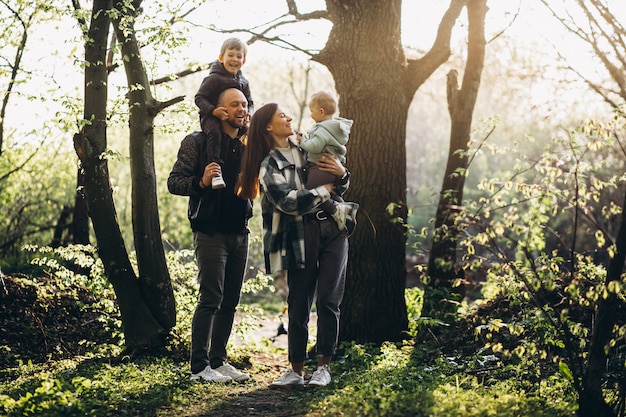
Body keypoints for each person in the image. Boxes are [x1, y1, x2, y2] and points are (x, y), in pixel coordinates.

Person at [237, 103, 351, 388]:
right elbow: (288, 202)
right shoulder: (269, 165)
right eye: (282, 116)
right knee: (299, 301)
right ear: (268, 126)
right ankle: (296, 371)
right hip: (299, 235)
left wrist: (342, 173)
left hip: (334, 227)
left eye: (288, 114)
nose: (289, 118)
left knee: (328, 299)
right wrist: (324, 189)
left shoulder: (308, 147)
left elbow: (338, 183)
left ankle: (323, 367)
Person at [168, 88, 252, 383]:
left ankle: (218, 361)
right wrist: (201, 181)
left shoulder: (247, 143)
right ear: (219, 110)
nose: (241, 109)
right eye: (234, 104)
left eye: (244, 104)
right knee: (211, 298)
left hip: (241, 231)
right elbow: (174, 182)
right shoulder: (197, 141)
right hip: (210, 232)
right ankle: (199, 367)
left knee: (230, 300)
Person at [195, 37, 254, 189]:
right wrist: (214, 111)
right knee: (215, 133)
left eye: (239, 56)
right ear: (221, 58)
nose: (235, 59)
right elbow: (199, 98)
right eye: (231, 55)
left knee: (250, 134)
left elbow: (250, 102)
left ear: (244, 61)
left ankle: (250, 170)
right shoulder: (213, 78)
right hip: (211, 117)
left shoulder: (244, 82)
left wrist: (249, 114)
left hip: (236, 119)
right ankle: (215, 171)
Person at [299, 90, 358, 232]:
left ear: (321, 111)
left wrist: (303, 141)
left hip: (321, 168)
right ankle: (339, 207)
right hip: (330, 170)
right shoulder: (334, 127)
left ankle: (337, 210)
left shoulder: (322, 130)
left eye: (311, 111)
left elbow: (314, 146)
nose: (310, 114)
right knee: (328, 192)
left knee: (309, 191)